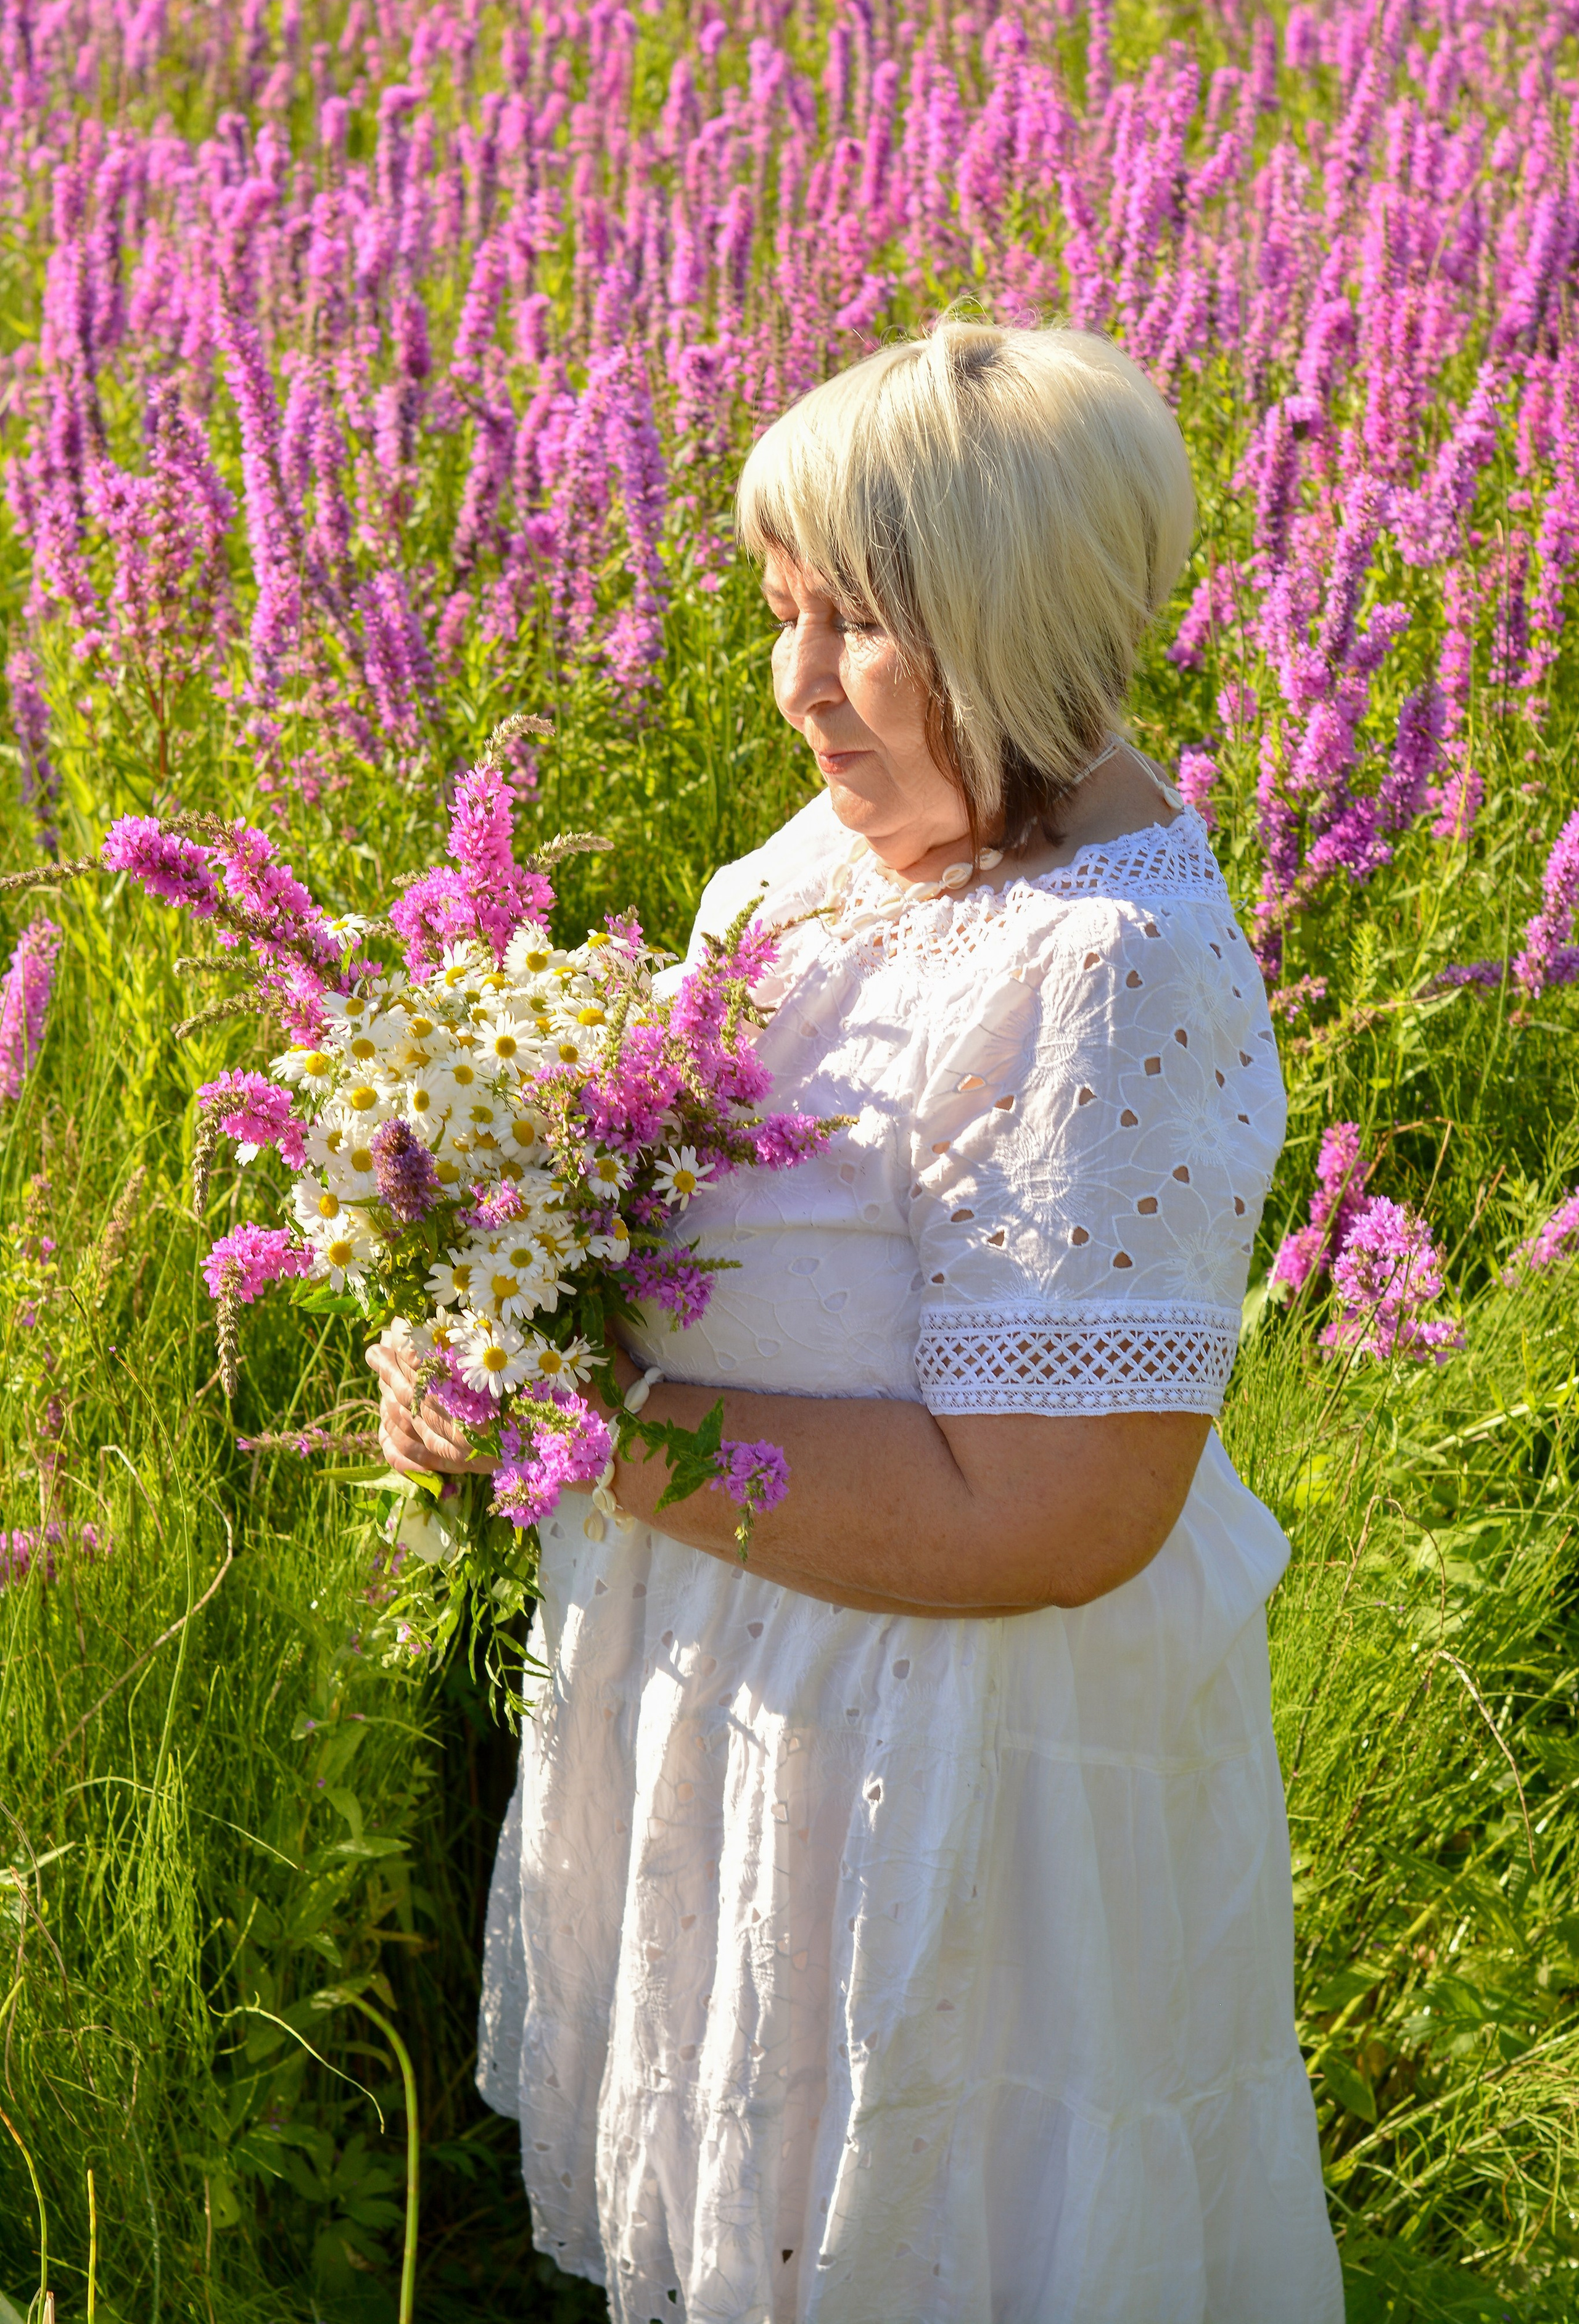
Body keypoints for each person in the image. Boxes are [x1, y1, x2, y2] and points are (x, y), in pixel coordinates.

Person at [370, 319, 1343, 2323]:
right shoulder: (833, 857)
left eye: (863, 629)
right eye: (784, 611)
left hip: (956, 1782)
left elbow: (1047, 1516)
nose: (800, 687)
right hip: (750, 1689)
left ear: (1021, 629)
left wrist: (598, 1430)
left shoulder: (1108, 970)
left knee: (950, 2219)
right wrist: (484, 1329)